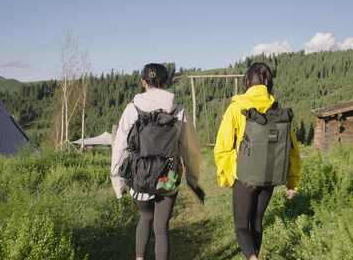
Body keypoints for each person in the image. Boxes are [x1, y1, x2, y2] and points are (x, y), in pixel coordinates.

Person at [110, 63, 203, 260]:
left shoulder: (132, 109)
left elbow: (119, 148)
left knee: (145, 218)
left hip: (140, 176)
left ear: (143, 81)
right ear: (166, 82)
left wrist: (118, 183)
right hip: (168, 177)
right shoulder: (178, 111)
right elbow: (191, 150)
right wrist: (192, 179)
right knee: (161, 228)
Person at [214, 62, 302, 260]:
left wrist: (227, 176)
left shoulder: (237, 108)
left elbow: (222, 146)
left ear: (247, 82)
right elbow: (292, 149)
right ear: (268, 83)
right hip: (270, 176)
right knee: (257, 221)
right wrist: (292, 181)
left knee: (241, 226)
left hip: (244, 176)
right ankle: (256, 255)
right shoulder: (277, 109)